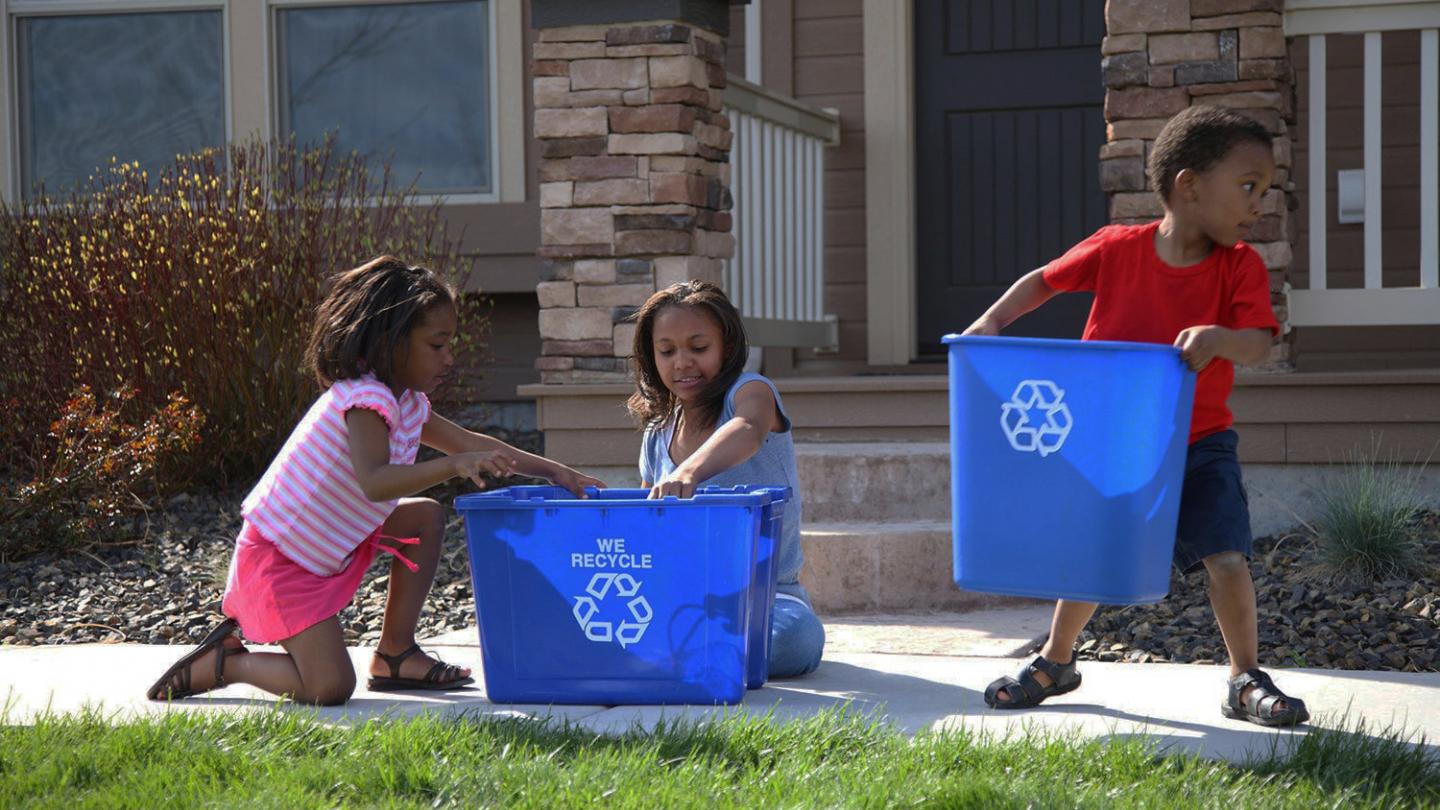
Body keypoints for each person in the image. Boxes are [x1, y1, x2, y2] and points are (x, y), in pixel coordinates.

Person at [969, 106, 1309, 727]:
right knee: (1096, 557)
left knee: (1227, 556)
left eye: (1266, 189)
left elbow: (1260, 341)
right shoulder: (1118, 249)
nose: (1259, 203)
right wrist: (991, 324)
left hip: (1201, 442)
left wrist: (1220, 339)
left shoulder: (1240, 267)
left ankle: (1244, 677)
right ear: (1189, 185)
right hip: (1114, 443)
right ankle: (1056, 661)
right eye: (1248, 185)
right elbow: (1042, 282)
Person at [148, 256, 602, 705]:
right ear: (391, 342)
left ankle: (395, 654)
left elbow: (468, 442)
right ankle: (227, 663)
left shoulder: (407, 401)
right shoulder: (365, 399)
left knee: (425, 518)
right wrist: (451, 467)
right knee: (328, 687)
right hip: (282, 557)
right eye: (437, 344)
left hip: (325, 540)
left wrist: (556, 472)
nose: (449, 357)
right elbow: (376, 482)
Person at [628, 280, 825, 678]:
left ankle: (689, 650)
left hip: (768, 599)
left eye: (698, 348)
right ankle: (701, 648)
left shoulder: (751, 392)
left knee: (793, 640)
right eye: (666, 351)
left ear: (727, 347)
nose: (682, 362)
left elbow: (748, 428)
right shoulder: (657, 435)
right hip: (685, 598)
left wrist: (689, 471)